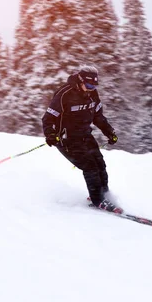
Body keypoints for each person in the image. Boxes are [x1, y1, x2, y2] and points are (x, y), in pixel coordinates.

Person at [41, 65, 119, 209]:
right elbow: (48, 118)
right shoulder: (64, 94)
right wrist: (51, 134)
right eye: (89, 85)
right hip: (66, 139)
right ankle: (98, 200)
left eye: (94, 86)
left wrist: (109, 132)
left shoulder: (92, 93)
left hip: (84, 135)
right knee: (90, 166)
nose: (91, 88)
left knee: (100, 163)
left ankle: (105, 195)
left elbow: (98, 116)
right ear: (81, 81)